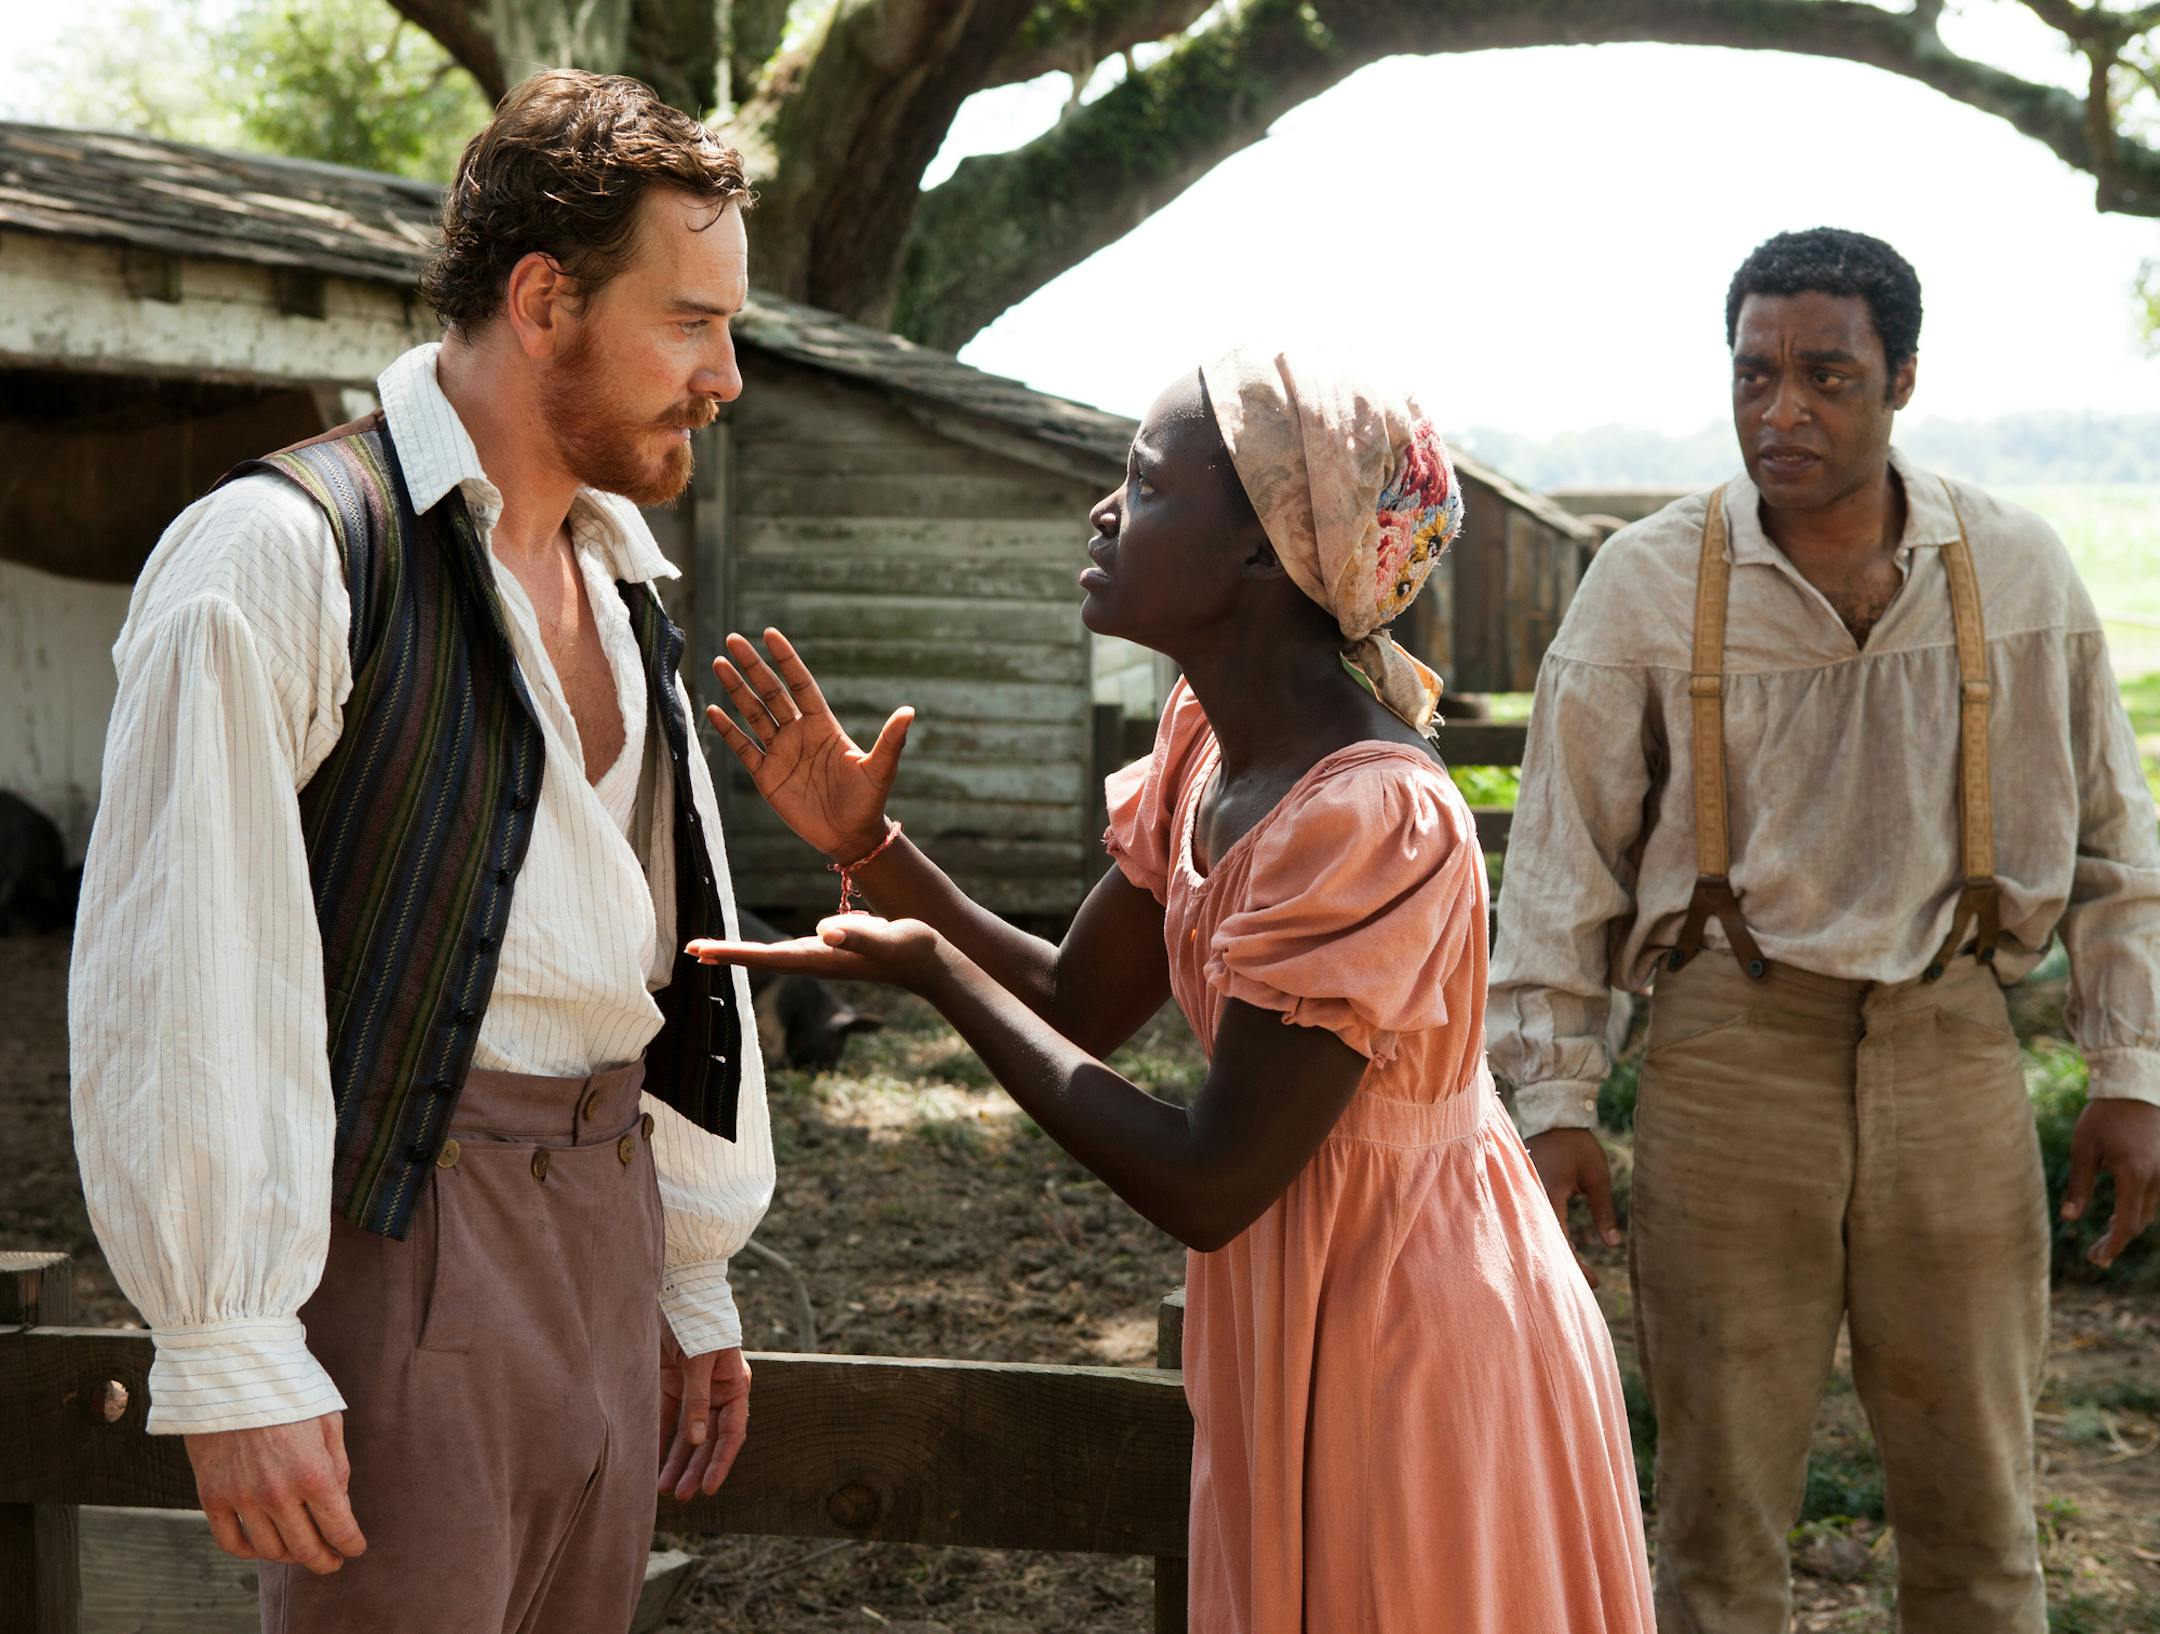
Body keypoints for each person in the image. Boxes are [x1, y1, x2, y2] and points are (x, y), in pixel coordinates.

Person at [689, 351, 1656, 1633]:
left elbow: (1209, 1179)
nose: (1104, 512)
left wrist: (934, 974)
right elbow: (1077, 1002)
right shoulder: (1211, 744)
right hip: (1308, 1296)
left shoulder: (1373, 814)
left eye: (1142, 485)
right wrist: (872, 848)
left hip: (1413, 1329)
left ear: (1269, 551)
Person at [69, 70, 775, 1632]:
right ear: (542, 299)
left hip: (607, 1234)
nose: (726, 375)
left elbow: (655, 949)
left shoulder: (622, 580)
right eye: (690, 321)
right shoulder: (283, 554)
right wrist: (230, 1341)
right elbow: (184, 967)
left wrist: (685, 1263)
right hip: (409, 1241)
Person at [1489, 227, 2160, 1634]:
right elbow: (1561, 868)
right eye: (1753, 374)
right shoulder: (1648, 586)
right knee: (1719, 1519)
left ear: (1903, 378)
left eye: (1825, 376)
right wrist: (1553, 1098)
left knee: (1981, 1508)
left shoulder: (2019, 573)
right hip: (1731, 1060)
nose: (1779, 410)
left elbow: (2116, 844)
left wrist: (2132, 1068)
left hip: (1956, 1049)